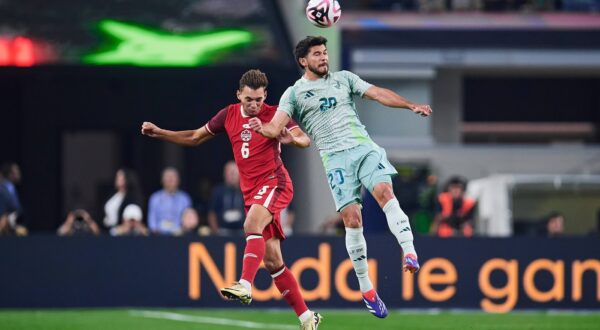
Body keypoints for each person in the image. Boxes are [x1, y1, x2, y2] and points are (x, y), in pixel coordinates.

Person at [250, 36, 432, 318]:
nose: (324, 58)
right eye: (317, 54)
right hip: (335, 160)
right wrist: (262, 129)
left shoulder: (344, 79)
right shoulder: (294, 94)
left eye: (325, 53)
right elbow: (276, 127)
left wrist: (410, 105)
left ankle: (409, 252)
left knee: (385, 192)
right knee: (352, 219)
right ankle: (367, 290)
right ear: (303, 61)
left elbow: (378, 93)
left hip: (363, 148)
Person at [141, 69, 322, 329]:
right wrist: (160, 133)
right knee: (273, 262)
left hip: (276, 182)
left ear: (265, 96)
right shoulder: (228, 115)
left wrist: (289, 138)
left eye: (259, 99)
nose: (255, 104)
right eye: (249, 99)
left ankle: (245, 285)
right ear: (239, 95)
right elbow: (194, 137)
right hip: (252, 192)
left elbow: (305, 140)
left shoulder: (275, 114)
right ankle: (307, 318)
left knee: (251, 225)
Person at [147, 167, 193, 235]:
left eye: (173, 177)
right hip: (158, 237)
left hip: (180, 236)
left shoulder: (185, 199)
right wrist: (155, 231)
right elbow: (152, 221)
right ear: (162, 180)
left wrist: (183, 230)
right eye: (168, 177)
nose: (170, 180)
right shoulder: (155, 198)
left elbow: (189, 220)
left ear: (178, 180)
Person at [207, 160, 245, 236]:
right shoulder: (218, 191)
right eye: (230, 172)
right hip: (222, 232)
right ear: (224, 174)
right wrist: (215, 231)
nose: (232, 175)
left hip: (242, 232)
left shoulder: (245, 190)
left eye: (234, 172)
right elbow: (211, 212)